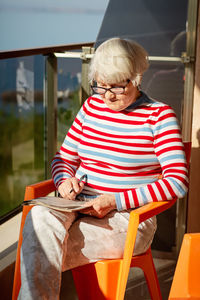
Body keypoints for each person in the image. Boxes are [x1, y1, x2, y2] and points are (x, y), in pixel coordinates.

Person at [18, 38, 188, 299]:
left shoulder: (159, 116)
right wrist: (64, 182)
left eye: (118, 87)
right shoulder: (91, 107)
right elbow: (63, 159)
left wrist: (115, 200)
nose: (108, 95)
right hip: (77, 206)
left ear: (137, 78)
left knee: (40, 248)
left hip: (129, 218)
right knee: (39, 218)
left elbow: (177, 182)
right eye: (100, 85)